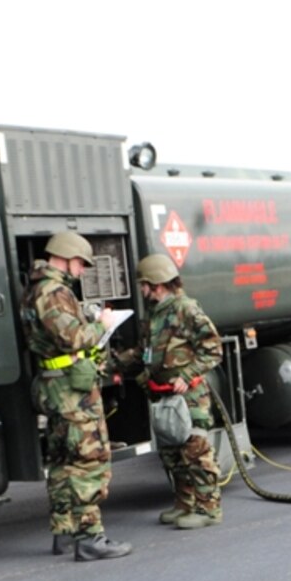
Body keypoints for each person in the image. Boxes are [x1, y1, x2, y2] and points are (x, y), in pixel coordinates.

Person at [23, 232, 131, 561]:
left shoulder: (35, 289)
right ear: (66, 256)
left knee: (61, 461)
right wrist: (103, 324)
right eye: (81, 263)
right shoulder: (53, 292)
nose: (82, 270)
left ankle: (64, 531)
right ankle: (90, 537)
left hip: (54, 385)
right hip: (70, 390)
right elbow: (74, 337)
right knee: (89, 460)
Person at [115, 253, 225, 528]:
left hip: (188, 396)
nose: (141, 289)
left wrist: (187, 375)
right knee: (172, 453)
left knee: (195, 451)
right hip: (163, 394)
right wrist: (115, 362)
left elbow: (213, 349)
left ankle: (209, 509)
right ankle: (184, 504)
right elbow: (144, 351)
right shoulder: (154, 313)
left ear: (157, 283)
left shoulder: (186, 309)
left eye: (144, 284)